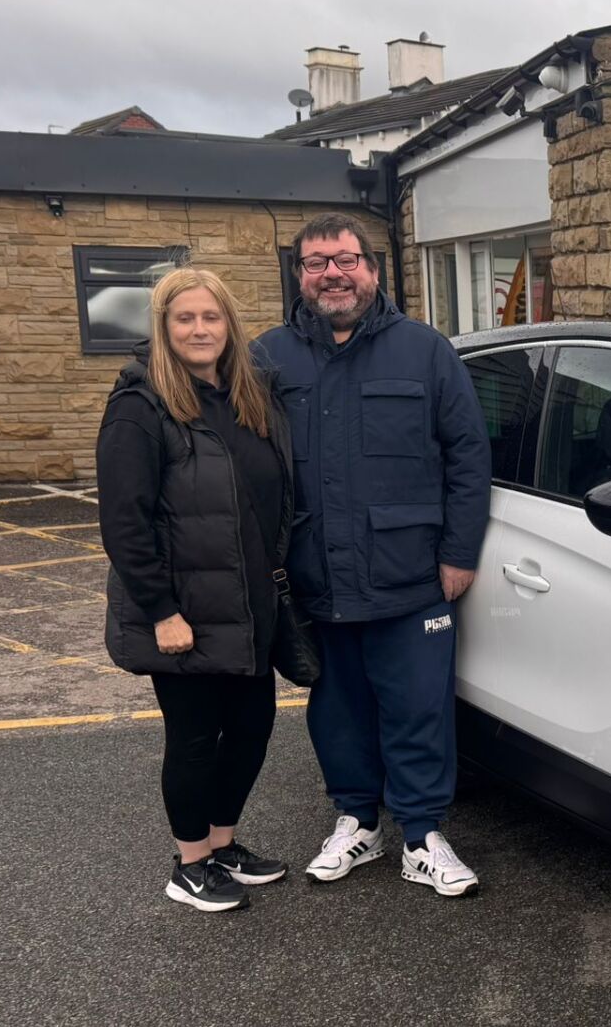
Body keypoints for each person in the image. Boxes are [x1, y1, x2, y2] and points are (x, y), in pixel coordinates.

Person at [253, 214, 491, 898]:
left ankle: (421, 835)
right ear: (299, 275)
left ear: (373, 270)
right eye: (317, 261)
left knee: (418, 706)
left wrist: (459, 552)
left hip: (410, 573)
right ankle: (356, 821)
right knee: (337, 710)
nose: (333, 273)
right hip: (313, 574)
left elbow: (468, 457)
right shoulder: (268, 358)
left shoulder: (425, 351)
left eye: (347, 259)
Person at [97, 268, 292, 913]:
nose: (200, 329)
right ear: (164, 327)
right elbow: (124, 521)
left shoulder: (248, 396)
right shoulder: (140, 405)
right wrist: (161, 610)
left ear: (230, 325)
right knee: (193, 738)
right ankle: (190, 863)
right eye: (185, 318)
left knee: (251, 729)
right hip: (184, 611)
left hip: (247, 602)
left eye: (212, 317)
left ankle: (223, 843)